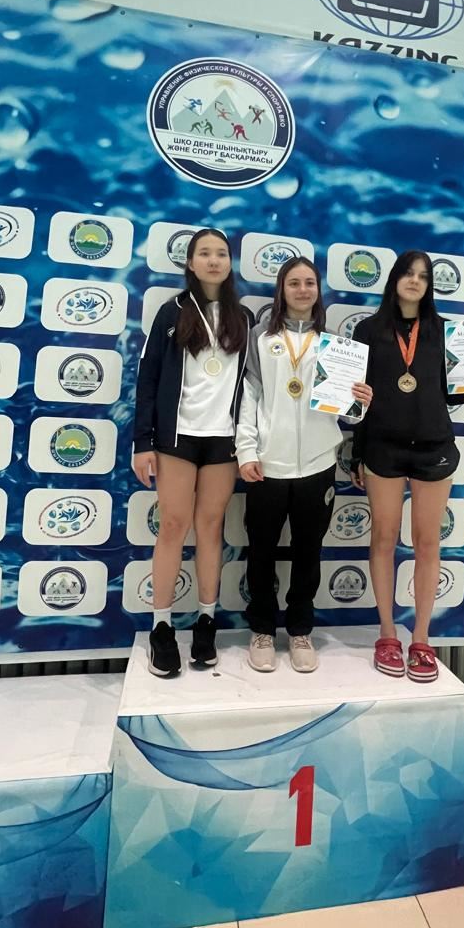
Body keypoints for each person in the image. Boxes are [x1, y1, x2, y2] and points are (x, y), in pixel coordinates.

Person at [351, 251, 464, 682]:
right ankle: (387, 634)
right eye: (408, 274)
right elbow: (358, 400)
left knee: (428, 544)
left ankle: (422, 639)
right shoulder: (368, 330)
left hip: (433, 449)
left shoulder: (446, 333)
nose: (414, 281)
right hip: (383, 448)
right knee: (383, 539)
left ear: (429, 286)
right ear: (394, 279)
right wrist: (356, 454)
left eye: (423, 276)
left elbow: (455, 393)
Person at [236, 258, 372, 673]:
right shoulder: (260, 338)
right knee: (260, 551)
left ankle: (299, 630)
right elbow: (249, 397)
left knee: (308, 551)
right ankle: (262, 629)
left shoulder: (334, 346)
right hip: (268, 464)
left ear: (318, 290)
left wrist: (361, 403)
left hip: (317, 464)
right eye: (293, 283)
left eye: (309, 282)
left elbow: (347, 415)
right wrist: (247, 451)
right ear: (281, 289)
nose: (302, 289)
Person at [132, 228, 252, 677]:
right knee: (172, 526)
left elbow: (253, 384)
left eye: (221, 253)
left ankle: (206, 621)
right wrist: (143, 442)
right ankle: (161, 627)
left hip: (223, 439)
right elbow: (147, 378)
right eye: (205, 253)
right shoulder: (172, 312)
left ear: (229, 262)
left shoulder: (244, 317)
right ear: (191, 262)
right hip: (177, 437)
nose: (214, 260)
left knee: (210, 529)